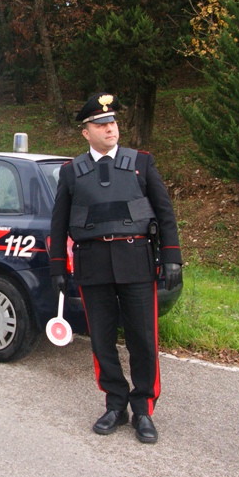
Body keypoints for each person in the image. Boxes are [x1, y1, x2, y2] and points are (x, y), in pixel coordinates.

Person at [49, 92, 182, 444]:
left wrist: (171, 258)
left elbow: (165, 213)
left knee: (143, 339)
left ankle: (143, 410)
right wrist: (58, 268)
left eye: (113, 122)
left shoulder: (141, 163)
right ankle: (114, 404)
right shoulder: (71, 172)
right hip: (93, 266)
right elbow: (58, 223)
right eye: (102, 124)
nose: (111, 128)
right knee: (103, 341)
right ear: (86, 132)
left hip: (136, 262)